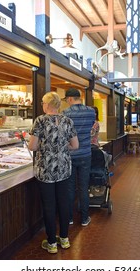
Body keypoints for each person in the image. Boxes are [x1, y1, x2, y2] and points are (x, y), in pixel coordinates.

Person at [28, 91, 79, 254]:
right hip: (64, 168)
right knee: (64, 203)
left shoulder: (40, 121)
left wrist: (45, 148)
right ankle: (64, 239)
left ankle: (51, 243)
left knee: (49, 205)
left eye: (43, 102)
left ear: (48, 104)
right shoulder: (68, 121)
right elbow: (75, 145)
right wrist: (62, 150)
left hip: (46, 169)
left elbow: (33, 146)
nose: (42, 105)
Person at [62, 88, 95, 226]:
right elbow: (90, 129)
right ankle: (84, 218)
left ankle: (69, 218)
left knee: (69, 187)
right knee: (83, 186)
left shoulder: (65, 114)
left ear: (69, 99)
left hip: (69, 154)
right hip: (86, 153)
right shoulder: (91, 111)